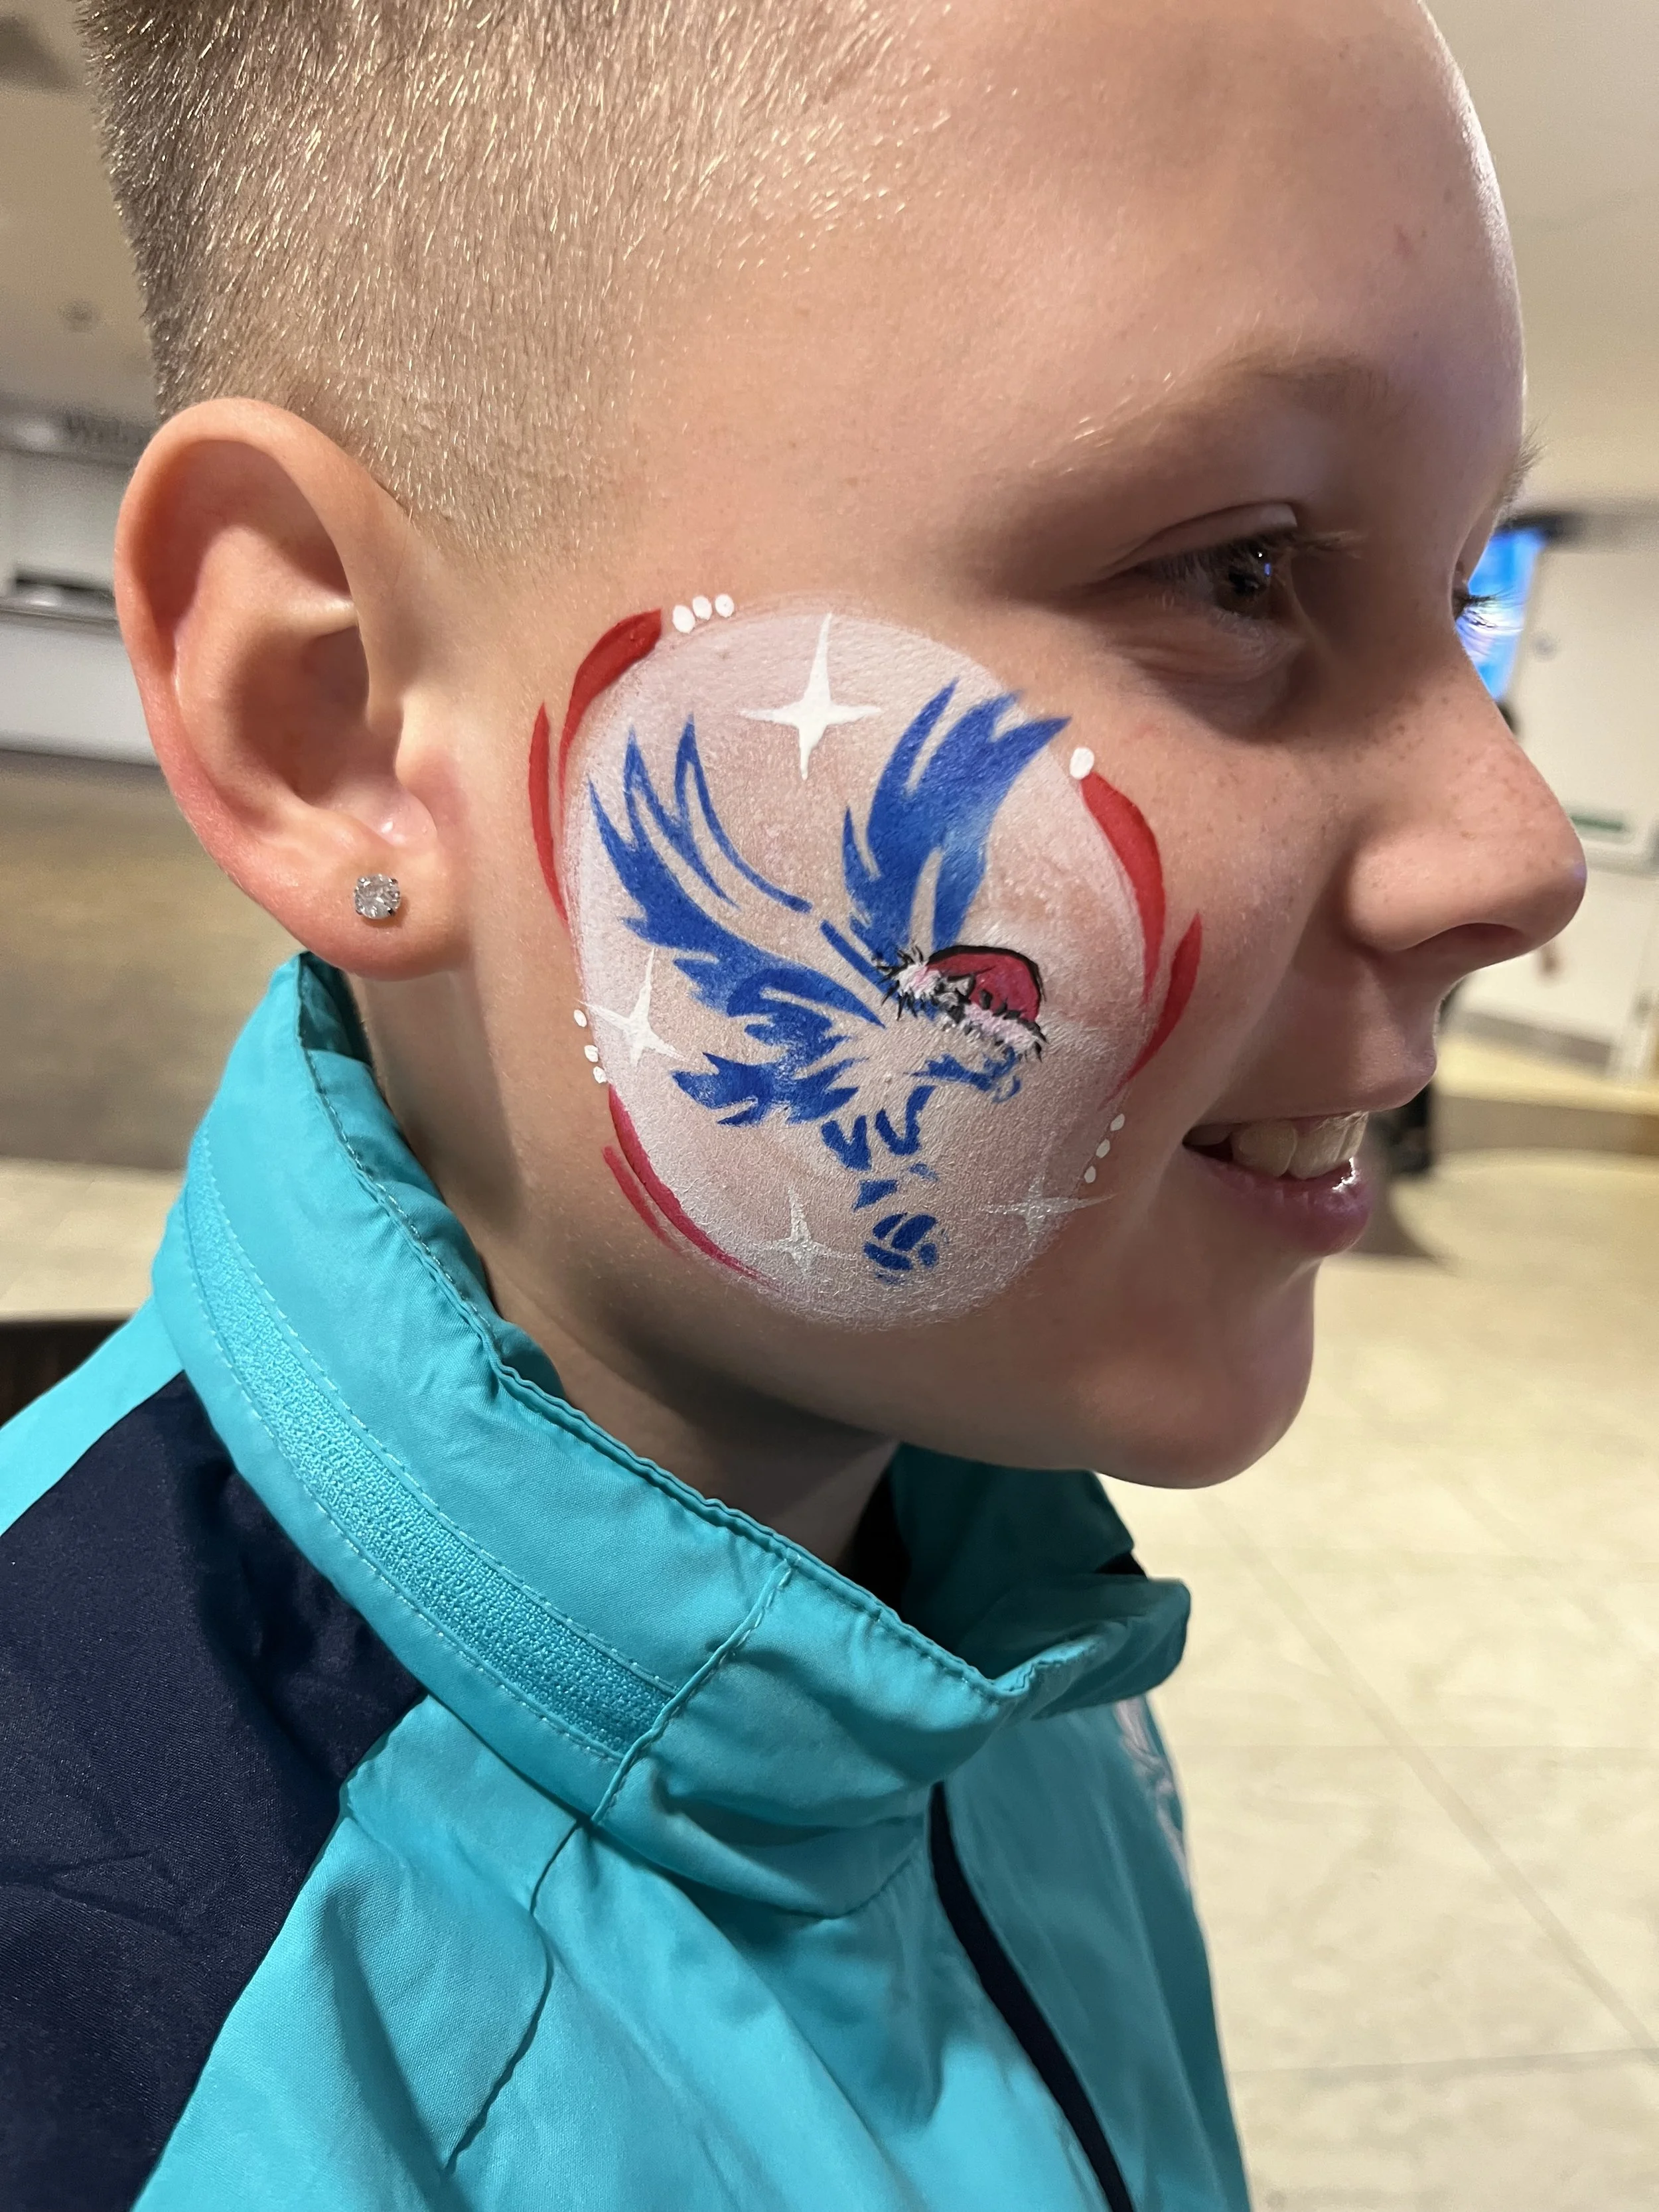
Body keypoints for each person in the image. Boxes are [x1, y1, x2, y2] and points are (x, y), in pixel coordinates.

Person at [0, 2, 1583, 2207]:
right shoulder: (115, 2054)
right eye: (1234, 568)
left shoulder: (963, 1593)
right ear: (333, 716)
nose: (1520, 852)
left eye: (1456, 587)